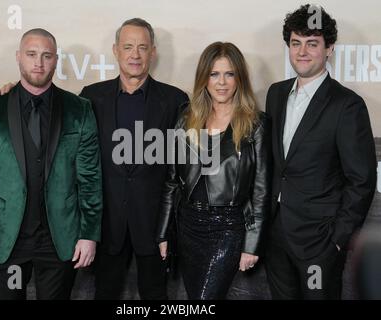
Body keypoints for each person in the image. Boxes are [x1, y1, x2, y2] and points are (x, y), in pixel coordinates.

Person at [0, 28, 102, 300]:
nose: (39, 62)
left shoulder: (79, 109)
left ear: (55, 60)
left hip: (60, 239)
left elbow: (91, 178)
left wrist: (89, 234)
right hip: (7, 240)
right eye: (31, 54)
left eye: (46, 55)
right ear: (18, 57)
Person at [265, 4, 377, 299]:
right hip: (276, 235)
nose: (302, 51)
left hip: (319, 243)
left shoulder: (347, 105)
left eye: (312, 43)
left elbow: (362, 179)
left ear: (329, 49)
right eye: (296, 43)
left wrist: (338, 240)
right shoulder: (276, 93)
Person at [80, 18, 189, 300]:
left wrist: (170, 228)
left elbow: (180, 169)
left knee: (156, 296)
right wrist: (10, 92)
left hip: (155, 225)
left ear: (153, 52)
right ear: (116, 50)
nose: (135, 55)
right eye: (128, 47)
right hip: (106, 224)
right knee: (104, 293)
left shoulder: (176, 100)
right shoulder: (90, 98)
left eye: (142, 47)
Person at [157, 42, 272, 299]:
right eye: (214, 74)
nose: (222, 82)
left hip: (228, 229)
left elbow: (261, 191)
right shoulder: (186, 119)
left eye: (229, 74)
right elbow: (171, 182)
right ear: (204, 79)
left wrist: (252, 245)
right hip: (187, 227)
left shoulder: (256, 124)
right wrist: (163, 233)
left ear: (239, 78)